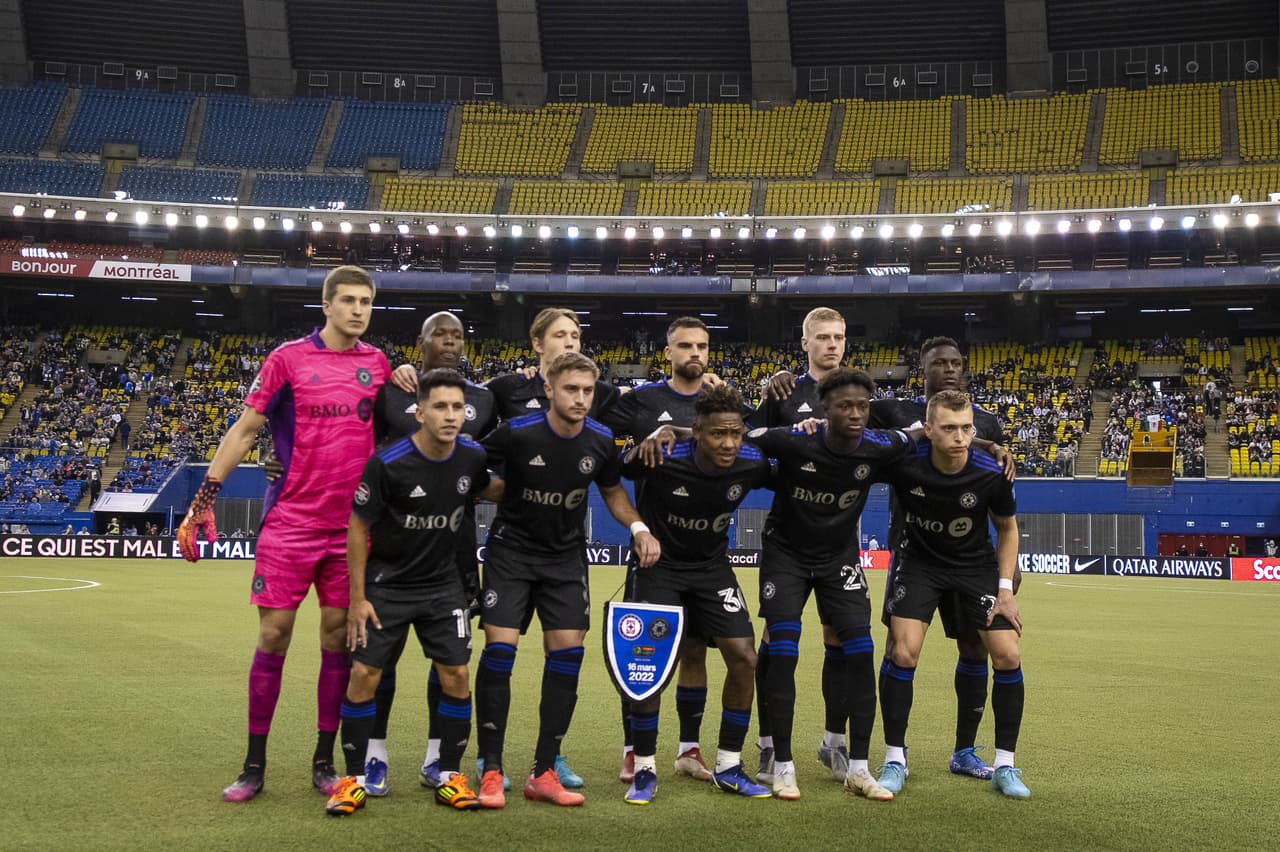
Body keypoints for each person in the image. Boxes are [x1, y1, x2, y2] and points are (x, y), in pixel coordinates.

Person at [177, 265, 391, 803]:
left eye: (365, 301)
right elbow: (247, 429)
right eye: (347, 300)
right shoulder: (287, 360)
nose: (358, 310)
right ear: (327, 306)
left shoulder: (378, 364)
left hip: (349, 530)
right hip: (291, 523)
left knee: (338, 638)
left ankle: (324, 761)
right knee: (274, 634)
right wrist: (205, 497)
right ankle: (254, 765)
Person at [474, 351, 659, 808]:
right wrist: (502, 490)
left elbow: (613, 491)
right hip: (512, 554)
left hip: (564, 560)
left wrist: (638, 528)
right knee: (500, 653)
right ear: (549, 390)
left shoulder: (599, 439)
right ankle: (492, 770)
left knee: (567, 657)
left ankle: (543, 772)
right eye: (571, 389)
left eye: (587, 391)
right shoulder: (516, 432)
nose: (580, 398)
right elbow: (473, 471)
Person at [324, 369, 504, 816]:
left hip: (443, 587)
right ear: (419, 411)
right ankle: (352, 780)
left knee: (456, 676)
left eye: (457, 408)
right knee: (364, 676)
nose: (450, 416)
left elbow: (494, 488)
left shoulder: (471, 456)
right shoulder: (388, 462)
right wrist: (357, 600)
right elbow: (358, 526)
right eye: (439, 407)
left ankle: (449, 775)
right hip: (388, 585)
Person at [599, 316, 747, 783]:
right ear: (668, 352)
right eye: (685, 346)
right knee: (646, 655)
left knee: (696, 652)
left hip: (708, 556)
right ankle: (633, 750)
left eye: (702, 345)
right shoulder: (643, 401)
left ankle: (689, 750)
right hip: (656, 553)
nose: (695, 354)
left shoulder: (717, 403)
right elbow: (605, 441)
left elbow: (751, 439)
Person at [864, 337, 1009, 782]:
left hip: (970, 557)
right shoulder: (893, 412)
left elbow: (996, 497)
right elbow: (847, 417)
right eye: (937, 363)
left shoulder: (984, 421)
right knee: (901, 649)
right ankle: (895, 754)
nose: (947, 369)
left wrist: (1006, 573)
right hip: (913, 551)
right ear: (920, 368)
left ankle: (964, 751)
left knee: (975, 648)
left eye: (954, 363)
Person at [619, 384, 772, 805]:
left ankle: (727, 765)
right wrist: (663, 435)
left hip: (712, 570)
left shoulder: (750, 460)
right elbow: (616, 472)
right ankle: (645, 769)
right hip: (658, 567)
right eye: (717, 434)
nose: (728, 444)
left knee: (744, 657)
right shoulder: (663, 455)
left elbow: (777, 455)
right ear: (698, 431)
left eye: (735, 433)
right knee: (648, 666)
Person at [368, 311, 497, 795]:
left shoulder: (484, 400)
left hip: (454, 554)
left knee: (448, 663)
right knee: (380, 661)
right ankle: (374, 755)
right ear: (420, 342)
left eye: (457, 335)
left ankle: (436, 759)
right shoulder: (390, 391)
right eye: (439, 334)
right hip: (393, 554)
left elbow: (498, 461)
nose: (449, 341)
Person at [486, 307, 619, 422]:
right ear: (538, 344)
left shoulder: (602, 393)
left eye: (575, 336)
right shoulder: (507, 388)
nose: (570, 343)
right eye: (560, 335)